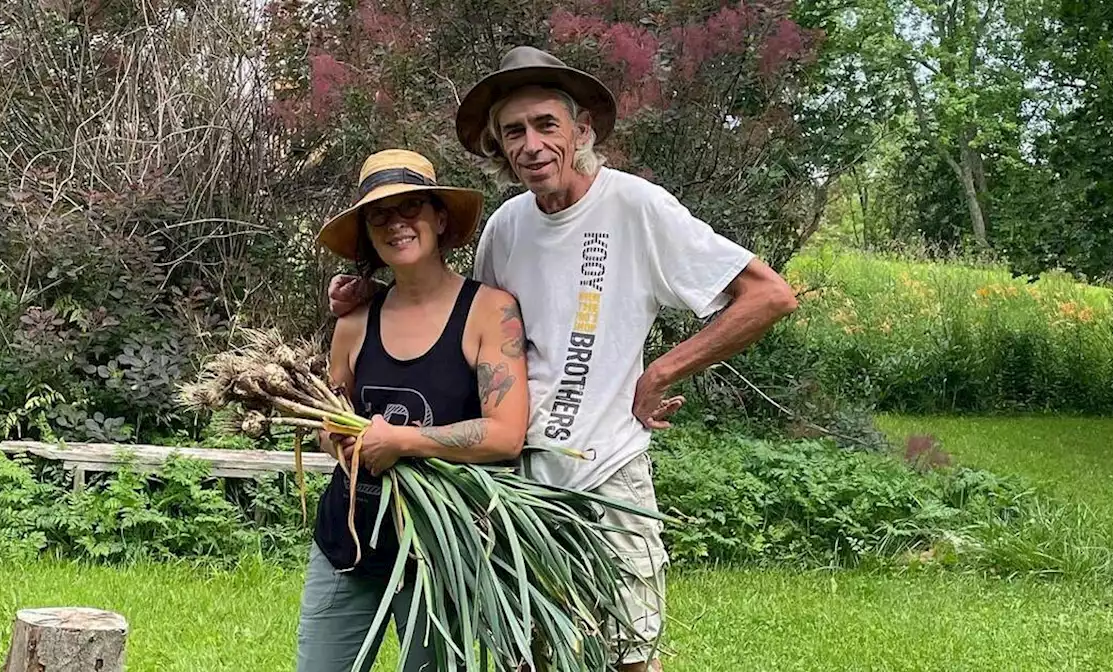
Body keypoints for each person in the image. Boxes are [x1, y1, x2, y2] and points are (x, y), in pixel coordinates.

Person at [330, 47, 799, 671]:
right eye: (513, 133)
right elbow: (457, 323)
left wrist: (662, 370)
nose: (531, 145)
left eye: (546, 125)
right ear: (499, 149)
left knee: (630, 655)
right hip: (515, 485)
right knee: (528, 656)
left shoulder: (636, 207)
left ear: (582, 131)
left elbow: (767, 295)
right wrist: (371, 294)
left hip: (607, 474)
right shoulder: (507, 226)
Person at [299, 148, 531, 672]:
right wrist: (340, 437)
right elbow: (328, 424)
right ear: (367, 235)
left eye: (411, 209)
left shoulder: (490, 311)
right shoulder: (356, 319)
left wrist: (401, 442)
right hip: (347, 544)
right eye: (379, 215)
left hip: (438, 550)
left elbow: (506, 433)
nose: (396, 224)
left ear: (440, 218)